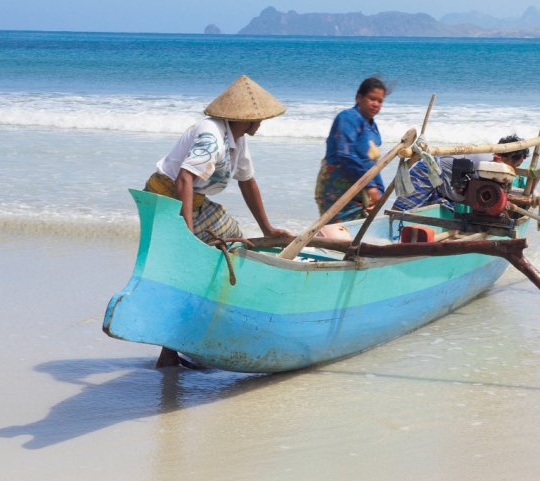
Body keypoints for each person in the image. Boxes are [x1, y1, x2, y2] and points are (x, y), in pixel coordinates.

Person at [143, 74, 293, 367]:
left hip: (196, 201)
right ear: (247, 119)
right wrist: (185, 232)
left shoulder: (236, 138)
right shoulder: (212, 136)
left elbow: (247, 182)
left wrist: (267, 229)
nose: (261, 123)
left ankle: (218, 323)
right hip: (167, 199)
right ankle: (169, 352)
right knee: (184, 270)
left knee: (237, 241)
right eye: (259, 118)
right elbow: (185, 178)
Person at [314, 76, 389, 222]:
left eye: (380, 101)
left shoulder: (373, 128)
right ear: (358, 98)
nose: (376, 104)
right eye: (372, 99)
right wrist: (370, 186)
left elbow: (372, 165)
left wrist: (379, 192)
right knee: (338, 235)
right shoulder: (347, 118)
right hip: (336, 191)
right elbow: (345, 155)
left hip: (359, 192)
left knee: (356, 235)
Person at [392, 134, 529, 211]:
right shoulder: (487, 164)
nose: (514, 170)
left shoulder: (494, 166)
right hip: (428, 173)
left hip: (444, 187)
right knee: (401, 210)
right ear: (505, 157)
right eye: (515, 165)